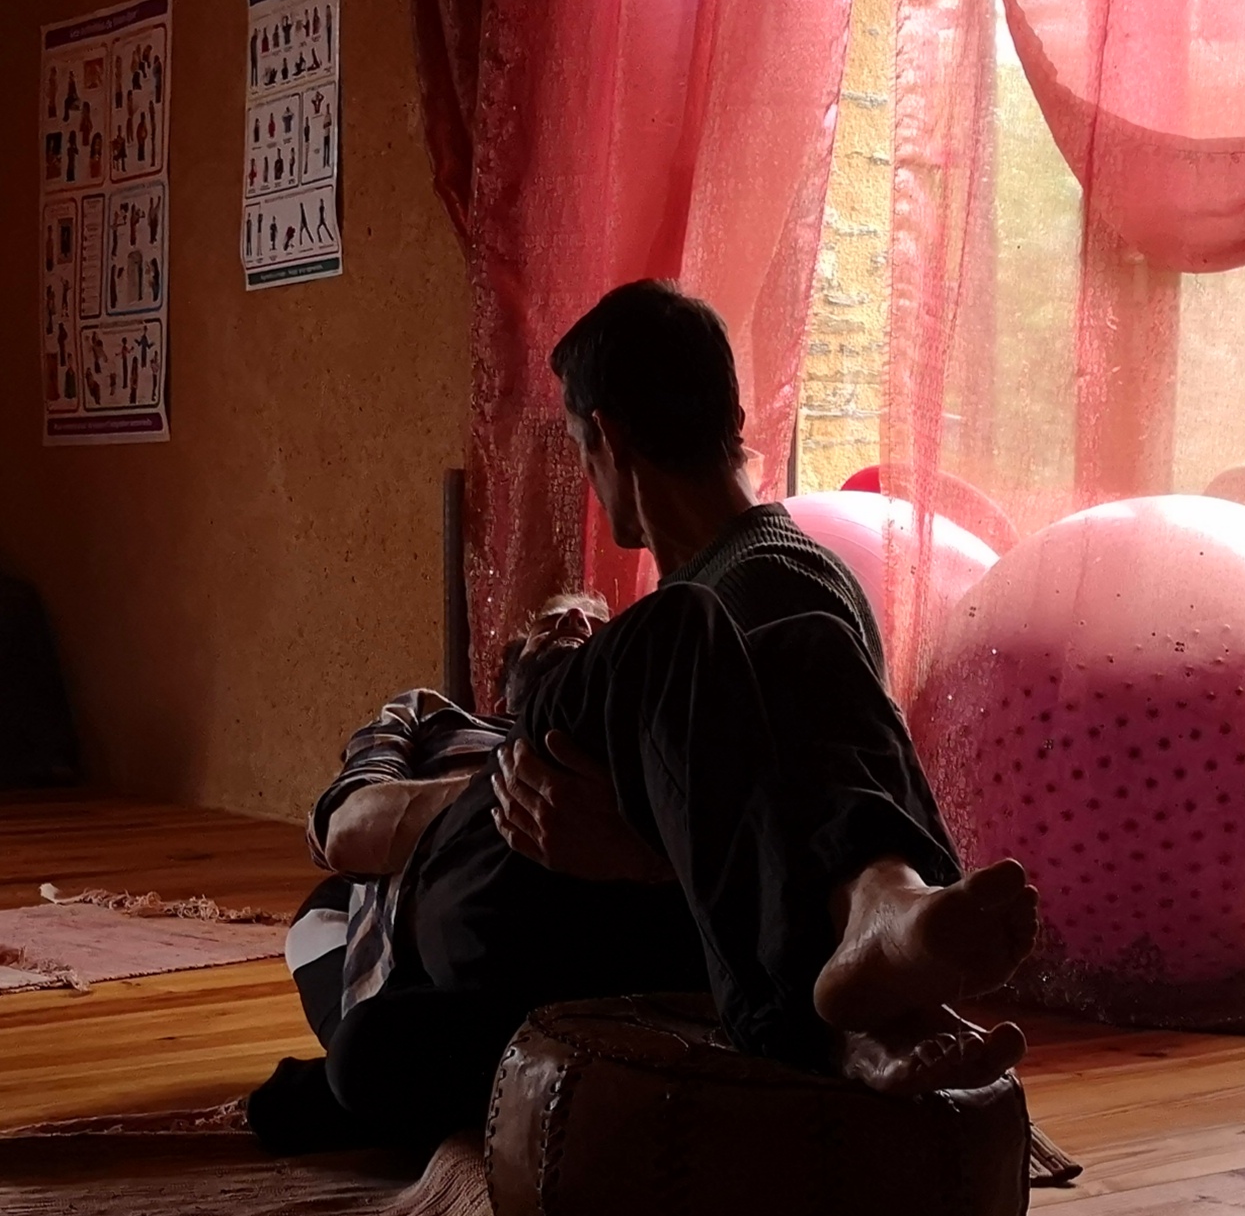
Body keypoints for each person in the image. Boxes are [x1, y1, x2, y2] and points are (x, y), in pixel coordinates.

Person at [261, 281, 1037, 1155]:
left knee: (697, 631)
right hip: (540, 908)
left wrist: (635, 854)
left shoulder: (748, 589)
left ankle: (824, 999)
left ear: (609, 437)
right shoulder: (767, 592)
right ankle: (876, 923)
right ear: (730, 417)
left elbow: (754, 838)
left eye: (580, 450)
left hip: (560, 919)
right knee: (370, 1046)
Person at [247, 594, 611, 1153]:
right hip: (457, 959)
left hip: (585, 947)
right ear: (503, 692)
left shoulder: (622, 727)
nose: (575, 618)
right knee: (360, 1030)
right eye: (550, 620)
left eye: (597, 623)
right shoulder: (429, 717)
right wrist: (507, 782)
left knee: (360, 1060)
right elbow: (346, 833)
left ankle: (407, 1103)